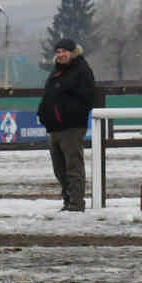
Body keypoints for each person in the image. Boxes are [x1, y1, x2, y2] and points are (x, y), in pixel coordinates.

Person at [37, 37, 96, 212]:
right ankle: (67, 200)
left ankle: (76, 203)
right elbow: (49, 95)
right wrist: (43, 114)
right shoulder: (56, 72)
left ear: (73, 52)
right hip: (55, 127)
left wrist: (67, 113)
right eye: (58, 52)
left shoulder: (82, 71)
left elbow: (87, 98)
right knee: (59, 168)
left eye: (64, 51)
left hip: (72, 127)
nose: (61, 55)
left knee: (73, 166)